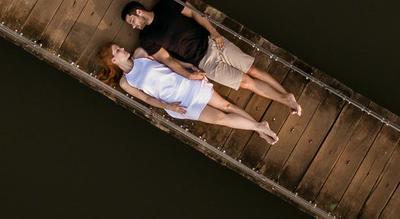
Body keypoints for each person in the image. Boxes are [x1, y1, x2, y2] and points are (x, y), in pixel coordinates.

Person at [121, 0, 302, 115]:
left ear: (138, 12)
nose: (134, 26)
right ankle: (286, 100)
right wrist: (189, 75)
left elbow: (193, 12)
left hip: (213, 42)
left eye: (132, 21)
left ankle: (288, 95)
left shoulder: (165, 4)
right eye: (131, 25)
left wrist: (214, 32)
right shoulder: (146, 38)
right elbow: (167, 59)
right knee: (246, 82)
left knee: (253, 70)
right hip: (203, 63)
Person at [97, 43, 279, 144]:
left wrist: (188, 68)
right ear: (113, 60)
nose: (122, 48)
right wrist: (168, 106)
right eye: (117, 50)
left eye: (119, 46)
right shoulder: (126, 82)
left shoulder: (140, 53)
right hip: (178, 104)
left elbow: (168, 60)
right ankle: (259, 127)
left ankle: (259, 128)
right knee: (220, 119)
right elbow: (146, 98)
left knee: (227, 106)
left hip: (187, 84)